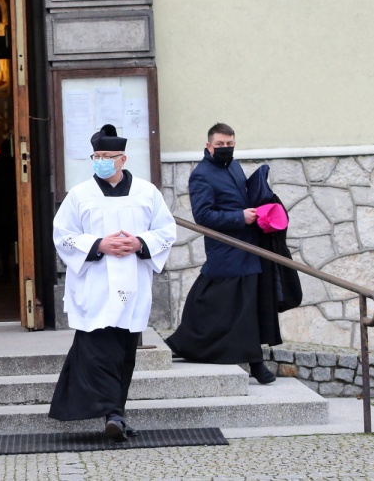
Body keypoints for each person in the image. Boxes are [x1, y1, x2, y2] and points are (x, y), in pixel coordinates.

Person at [49, 124, 176, 443]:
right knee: (96, 350)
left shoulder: (147, 193)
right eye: (97, 156)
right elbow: (62, 235)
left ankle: (115, 412)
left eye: (108, 156)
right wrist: (97, 245)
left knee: (124, 350)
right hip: (95, 285)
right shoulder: (80, 195)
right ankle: (111, 413)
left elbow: (166, 231)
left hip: (132, 284)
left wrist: (140, 243)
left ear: (123, 159)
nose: (102, 161)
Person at [165, 123, 281, 384]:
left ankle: (250, 361)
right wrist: (240, 217)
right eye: (220, 145)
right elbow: (203, 216)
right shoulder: (201, 175)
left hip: (249, 246)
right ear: (208, 146)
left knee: (245, 306)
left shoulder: (235, 166)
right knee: (211, 299)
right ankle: (255, 364)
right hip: (225, 249)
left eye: (230, 144)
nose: (226, 149)